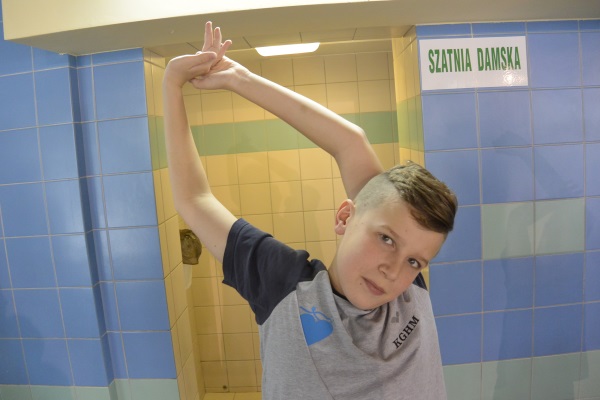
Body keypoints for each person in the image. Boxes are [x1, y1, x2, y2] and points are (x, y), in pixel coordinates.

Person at [163, 21, 458, 400]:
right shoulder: (284, 288)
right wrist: (186, 83)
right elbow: (194, 199)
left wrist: (239, 78)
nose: (394, 270)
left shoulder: (407, 293)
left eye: (415, 262)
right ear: (345, 217)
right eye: (386, 239)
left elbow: (352, 144)